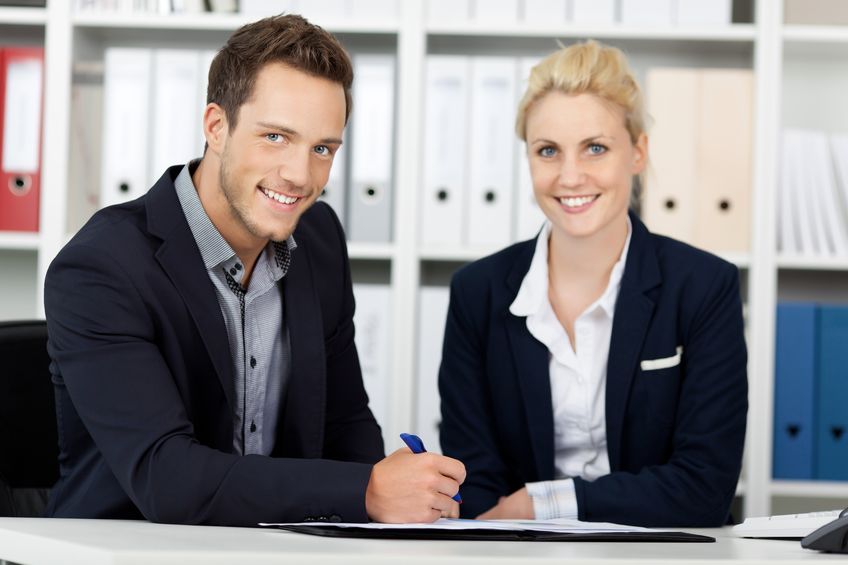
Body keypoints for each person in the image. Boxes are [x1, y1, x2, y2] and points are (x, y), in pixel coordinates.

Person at [44, 14, 464, 526]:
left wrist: (393, 502)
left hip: (276, 549)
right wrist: (366, 491)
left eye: (323, 148)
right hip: (127, 553)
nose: (300, 175)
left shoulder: (320, 239)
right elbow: (165, 477)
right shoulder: (102, 267)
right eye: (275, 137)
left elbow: (345, 421)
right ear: (217, 127)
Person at [438, 40, 747, 527]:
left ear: (638, 152)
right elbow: (473, 480)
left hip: (664, 556)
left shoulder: (704, 287)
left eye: (596, 148)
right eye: (548, 151)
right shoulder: (478, 293)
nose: (570, 175)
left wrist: (542, 504)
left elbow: (704, 485)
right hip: (519, 554)